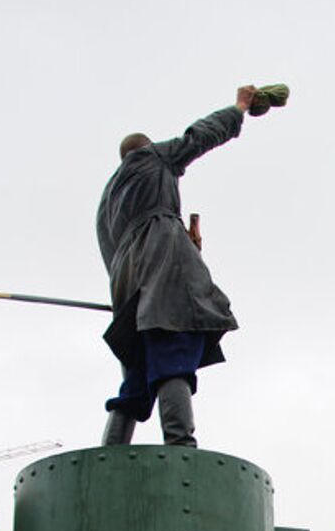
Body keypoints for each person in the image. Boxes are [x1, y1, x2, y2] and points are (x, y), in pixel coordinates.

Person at [97, 85, 274, 447]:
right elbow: (199, 137)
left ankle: (111, 453)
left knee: (138, 373)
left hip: (127, 284)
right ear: (146, 149)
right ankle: (181, 446)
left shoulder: (108, 201)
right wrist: (239, 108)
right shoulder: (151, 159)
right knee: (173, 346)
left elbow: (115, 254)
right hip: (161, 268)